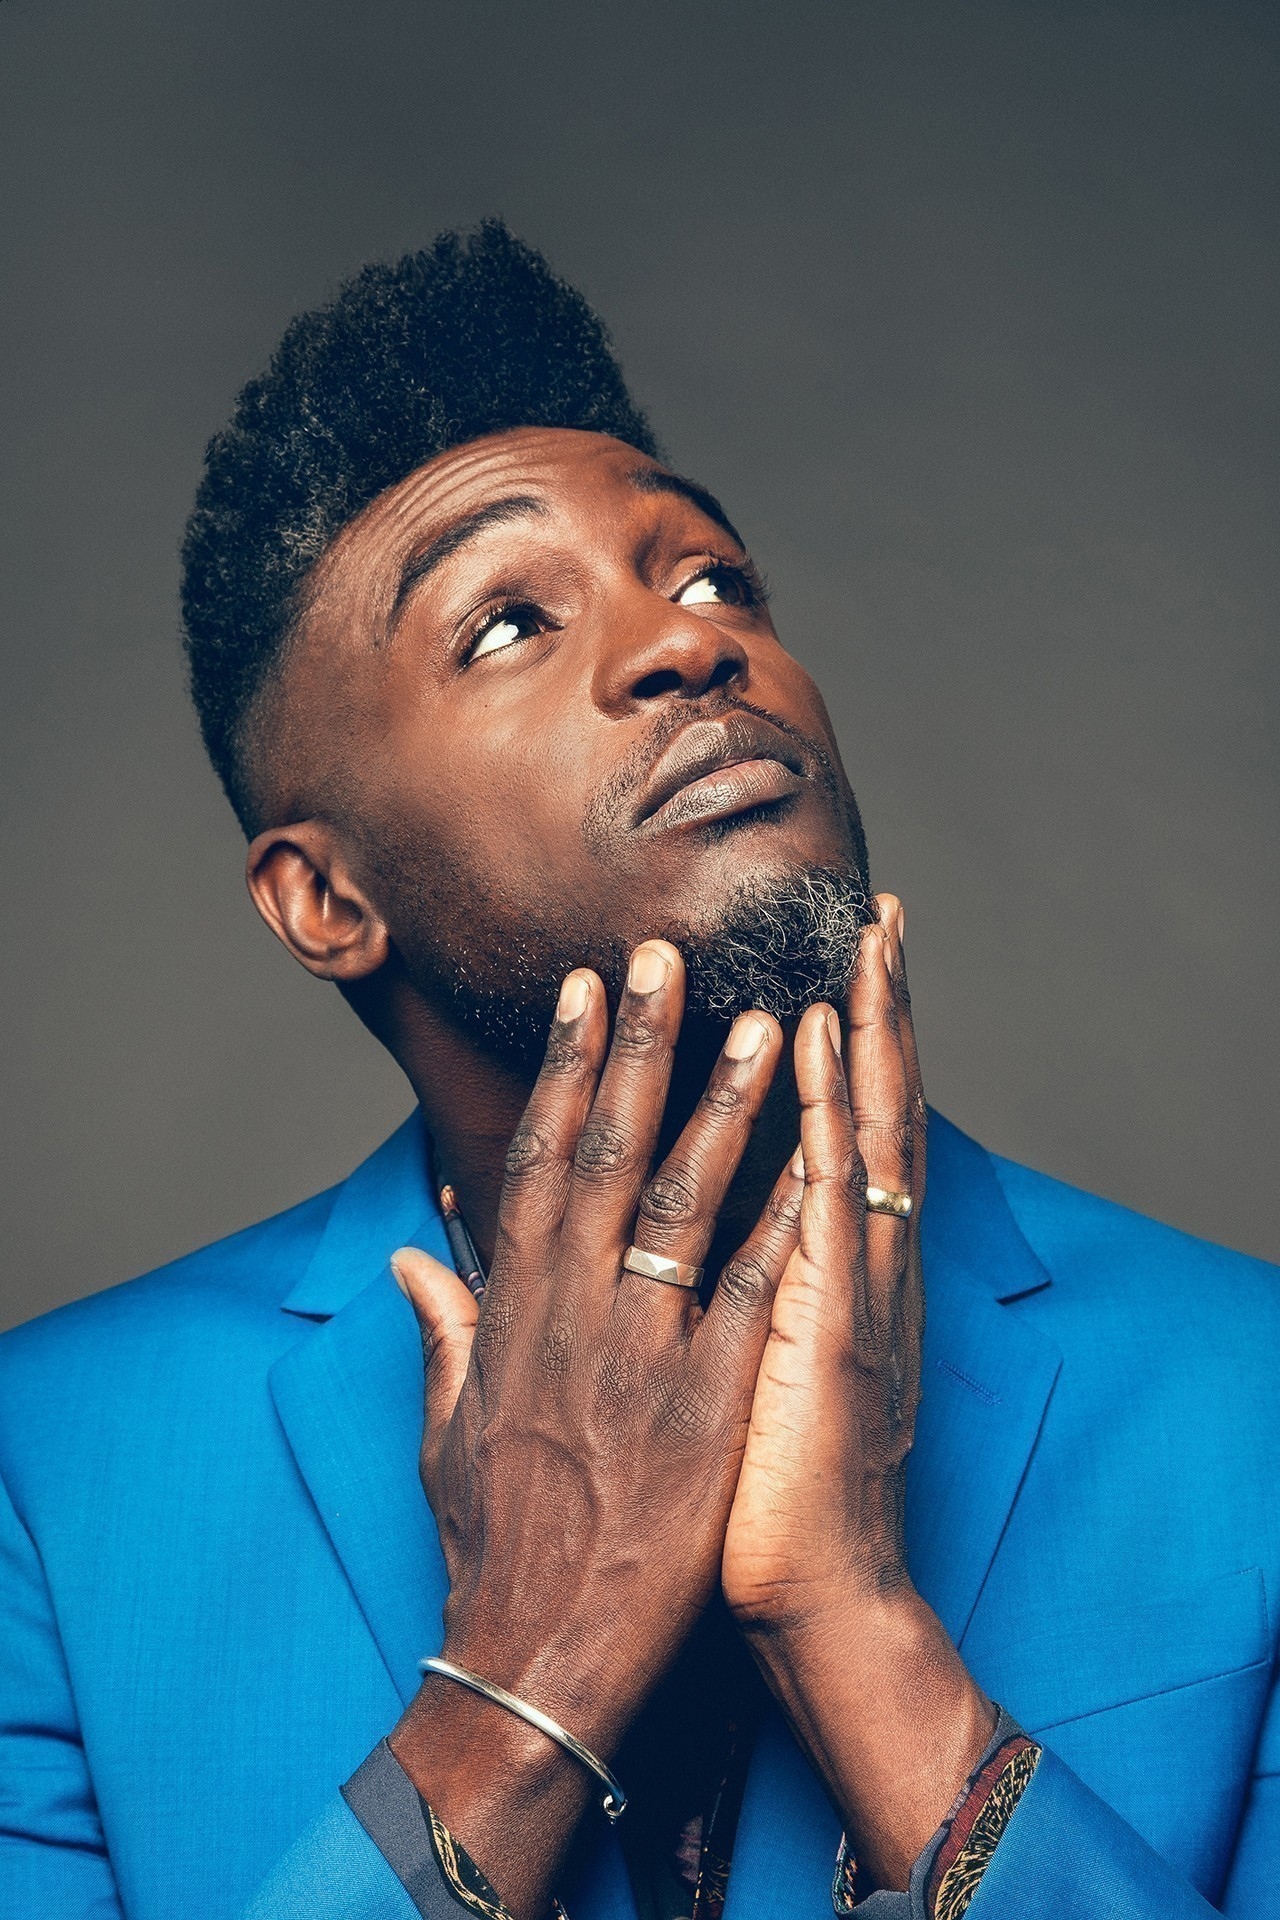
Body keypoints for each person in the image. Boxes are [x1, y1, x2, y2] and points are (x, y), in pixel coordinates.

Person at [0, 221, 1275, 1920]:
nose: (688, 644)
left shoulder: (1251, 1401)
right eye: (506, 623)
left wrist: (860, 1636)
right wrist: (526, 1681)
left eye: (711, 577)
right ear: (326, 899)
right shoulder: (50, 1476)